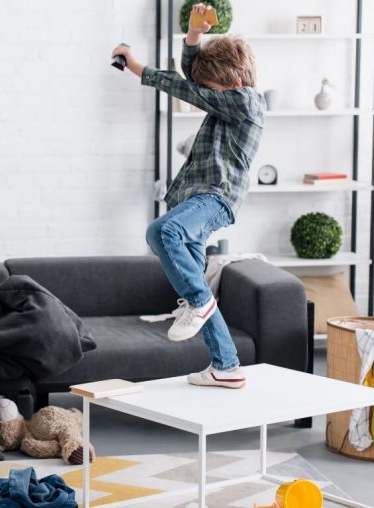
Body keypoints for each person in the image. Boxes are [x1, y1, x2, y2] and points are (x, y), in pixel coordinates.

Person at [111, 4, 265, 389]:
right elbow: (195, 77)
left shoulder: (246, 103)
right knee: (194, 283)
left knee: (162, 233)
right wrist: (195, 35)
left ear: (229, 80)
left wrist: (137, 67)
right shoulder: (227, 98)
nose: (204, 91)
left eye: (210, 86)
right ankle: (226, 365)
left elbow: (187, 86)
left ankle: (199, 303)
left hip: (214, 198)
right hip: (194, 200)